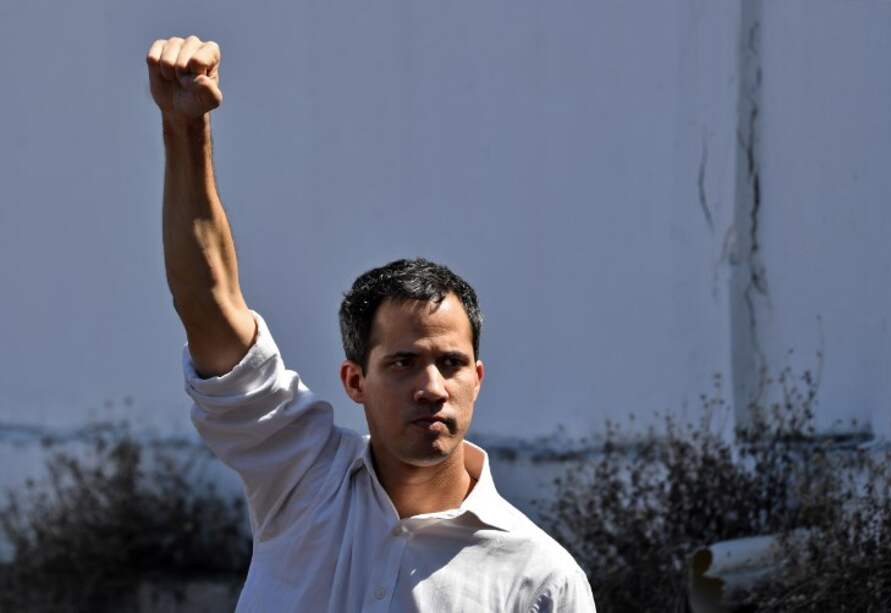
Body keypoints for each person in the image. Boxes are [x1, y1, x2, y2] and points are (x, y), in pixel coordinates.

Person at [147, 34, 597, 613]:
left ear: (478, 377)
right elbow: (210, 303)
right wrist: (185, 130)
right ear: (355, 381)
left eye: (451, 363)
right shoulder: (302, 477)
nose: (432, 387)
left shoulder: (540, 580)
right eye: (403, 362)